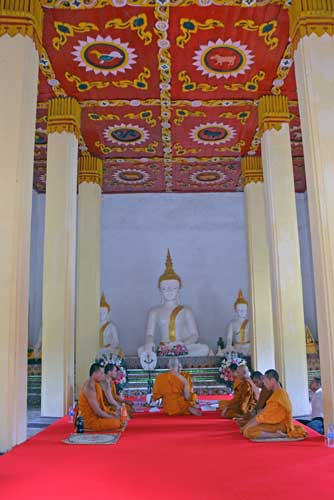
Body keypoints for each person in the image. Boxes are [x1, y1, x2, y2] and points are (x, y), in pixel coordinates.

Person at [243, 369, 308, 440]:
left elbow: (265, 415)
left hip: (282, 425)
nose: (264, 384)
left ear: (272, 380)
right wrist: (250, 423)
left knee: (249, 431)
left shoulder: (280, 395)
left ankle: (277, 435)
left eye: (265, 381)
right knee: (246, 428)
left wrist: (250, 425)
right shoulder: (276, 394)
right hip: (275, 423)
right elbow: (265, 412)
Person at [78, 363, 123, 432]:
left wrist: (112, 415)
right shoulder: (90, 387)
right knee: (116, 423)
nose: (103, 376)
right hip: (90, 421)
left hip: (98, 416)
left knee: (117, 417)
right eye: (101, 373)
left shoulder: (97, 385)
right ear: (95, 374)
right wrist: (112, 417)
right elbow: (97, 411)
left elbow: (102, 407)